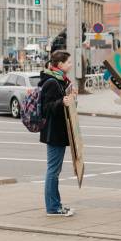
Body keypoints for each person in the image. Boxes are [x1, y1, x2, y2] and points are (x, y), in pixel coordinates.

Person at [40, 50, 77, 217]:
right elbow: (46, 109)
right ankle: (53, 207)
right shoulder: (52, 83)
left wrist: (70, 97)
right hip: (54, 133)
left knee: (54, 170)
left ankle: (55, 205)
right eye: (68, 62)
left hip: (59, 132)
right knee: (53, 170)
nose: (71, 64)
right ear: (60, 65)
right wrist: (62, 101)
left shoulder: (61, 81)